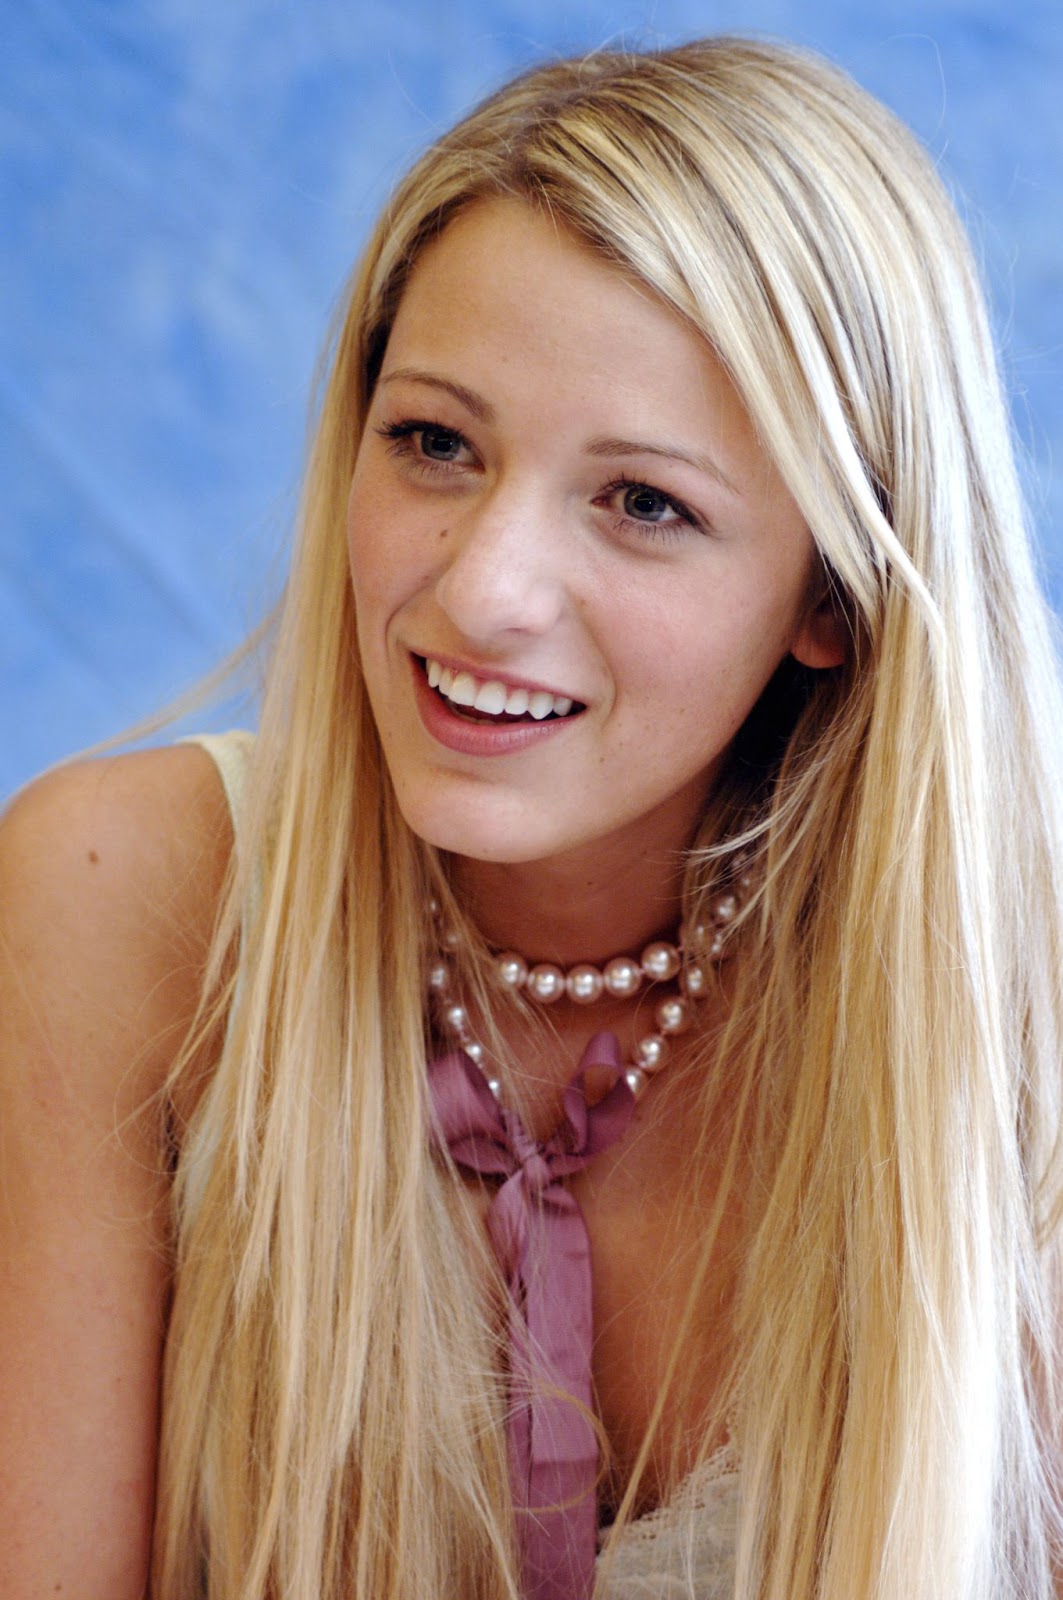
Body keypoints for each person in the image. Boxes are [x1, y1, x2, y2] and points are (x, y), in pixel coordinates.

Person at [1, 34, 1061, 1600]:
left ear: (831, 598)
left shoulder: (1021, 994)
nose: (482, 589)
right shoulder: (119, 895)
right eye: (436, 442)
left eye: (645, 504)